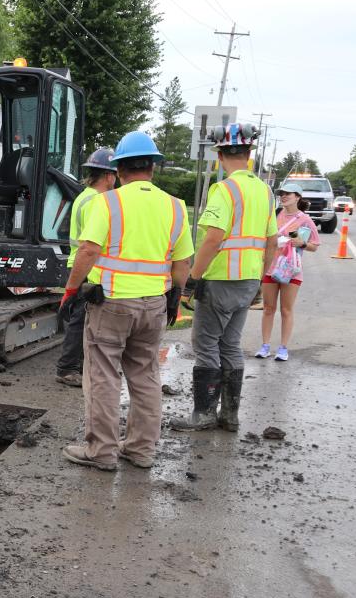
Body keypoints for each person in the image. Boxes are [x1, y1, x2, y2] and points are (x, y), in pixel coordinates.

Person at [59, 131, 193, 470]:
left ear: (118, 170)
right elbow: (182, 263)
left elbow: (88, 249)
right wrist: (175, 298)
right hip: (154, 305)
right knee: (145, 375)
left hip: (112, 303)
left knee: (103, 375)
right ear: (152, 168)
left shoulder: (108, 202)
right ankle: (140, 450)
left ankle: (101, 451)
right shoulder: (176, 207)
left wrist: (71, 291)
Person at [172, 123, 278, 432]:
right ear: (249, 156)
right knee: (231, 345)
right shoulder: (264, 190)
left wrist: (193, 278)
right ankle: (229, 416)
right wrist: (260, 279)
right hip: (248, 281)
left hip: (220, 280)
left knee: (206, 344)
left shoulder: (225, 189)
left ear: (220, 156)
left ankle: (203, 414)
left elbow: (213, 239)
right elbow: (272, 242)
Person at [56, 147, 118, 387]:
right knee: (81, 320)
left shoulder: (85, 195)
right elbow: (94, 243)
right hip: (87, 267)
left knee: (80, 318)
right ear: (109, 176)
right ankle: (67, 368)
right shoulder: (97, 201)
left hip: (79, 264)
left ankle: (75, 365)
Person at [257, 180, 319, 361]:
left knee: (286, 310)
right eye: (281, 194)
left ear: (297, 198)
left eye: (288, 194)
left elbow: (314, 246)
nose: (283, 196)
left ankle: (283, 348)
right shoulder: (275, 214)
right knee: (268, 308)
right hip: (270, 268)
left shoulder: (305, 219)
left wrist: (302, 243)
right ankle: (265, 346)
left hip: (291, 270)